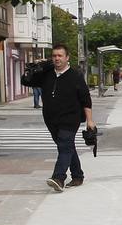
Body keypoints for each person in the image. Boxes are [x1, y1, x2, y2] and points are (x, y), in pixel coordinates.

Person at [21, 44, 95, 192]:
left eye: (60, 56)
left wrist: (90, 120)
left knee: (64, 145)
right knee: (66, 147)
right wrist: (37, 67)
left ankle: (58, 178)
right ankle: (78, 175)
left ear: (67, 58)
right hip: (51, 119)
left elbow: (86, 99)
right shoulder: (47, 74)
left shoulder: (76, 76)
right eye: (54, 56)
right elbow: (27, 81)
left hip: (70, 119)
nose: (57, 58)